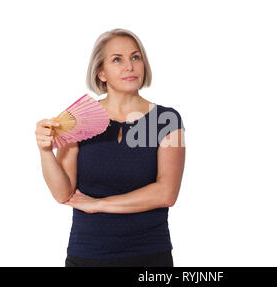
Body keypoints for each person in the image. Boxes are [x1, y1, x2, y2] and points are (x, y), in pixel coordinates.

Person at [34, 28, 185, 267]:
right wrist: (44, 151)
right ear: (101, 73)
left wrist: (99, 205)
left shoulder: (166, 120)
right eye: (117, 59)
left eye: (135, 57)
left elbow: (166, 193)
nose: (130, 66)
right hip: (87, 255)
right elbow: (63, 193)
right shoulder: (79, 119)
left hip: (149, 256)